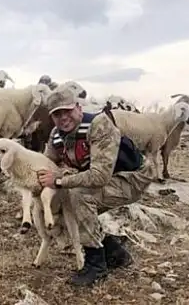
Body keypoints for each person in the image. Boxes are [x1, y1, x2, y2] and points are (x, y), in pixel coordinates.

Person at [36, 87, 157, 286]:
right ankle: (114, 252)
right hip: (110, 177)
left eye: (67, 111)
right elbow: (48, 163)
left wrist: (59, 181)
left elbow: (99, 176)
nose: (64, 117)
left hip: (133, 177)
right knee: (66, 203)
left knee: (79, 196)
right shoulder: (56, 136)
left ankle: (95, 264)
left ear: (78, 107)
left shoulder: (98, 125)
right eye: (57, 114)